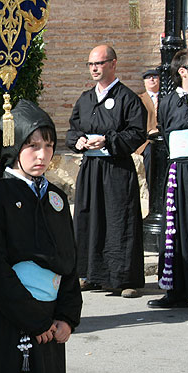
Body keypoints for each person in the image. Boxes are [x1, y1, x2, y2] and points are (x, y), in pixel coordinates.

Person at [0, 100, 82, 373]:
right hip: (11, 321)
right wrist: (36, 320)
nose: (42, 155)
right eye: (32, 146)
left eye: (48, 146)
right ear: (15, 145)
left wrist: (65, 317)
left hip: (49, 322)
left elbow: (69, 262)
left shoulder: (57, 199)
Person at [66, 45, 147, 298]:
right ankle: (90, 274)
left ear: (113, 64)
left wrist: (108, 141)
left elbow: (136, 134)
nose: (94, 69)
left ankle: (125, 278)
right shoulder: (85, 98)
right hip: (91, 168)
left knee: (118, 220)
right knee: (89, 219)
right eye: (90, 64)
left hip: (116, 169)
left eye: (99, 63)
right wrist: (77, 141)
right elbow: (73, 129)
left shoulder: (128, 98)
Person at [148, 48, 188, 308]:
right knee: (174, 229)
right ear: (183, 72)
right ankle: (176, 291)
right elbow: (165, 129)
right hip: (178, 170)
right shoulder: (167, 102)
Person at [137, 68, 160, 188]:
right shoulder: (139, 100)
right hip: (147, 140)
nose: (152, 79)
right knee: (150, 153)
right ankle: (153, 189)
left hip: (165, 137)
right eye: (148, 77)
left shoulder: (167, 97)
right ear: (144, 82)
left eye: (155, 76)